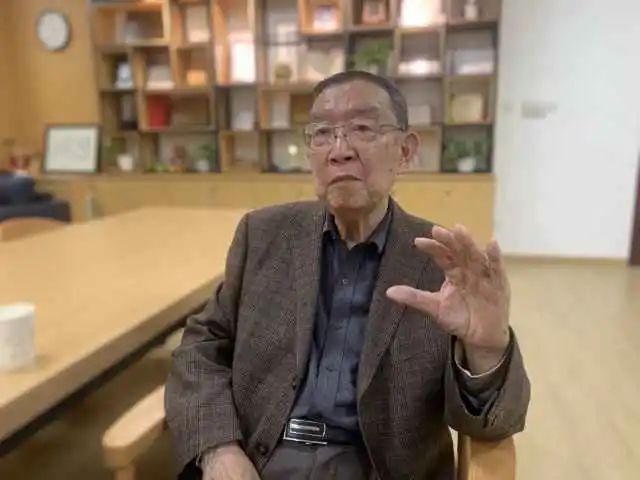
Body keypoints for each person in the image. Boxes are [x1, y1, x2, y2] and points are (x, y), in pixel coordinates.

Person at [165, 71, 530, 480]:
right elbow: (201, 347)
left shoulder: (441, 264)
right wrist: (218, 450)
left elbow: (494, 423)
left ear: (405, 151)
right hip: (256, 461)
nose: (339, 150)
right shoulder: (263, 235)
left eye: (362, 128)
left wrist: (486, 350)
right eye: (322, 133)